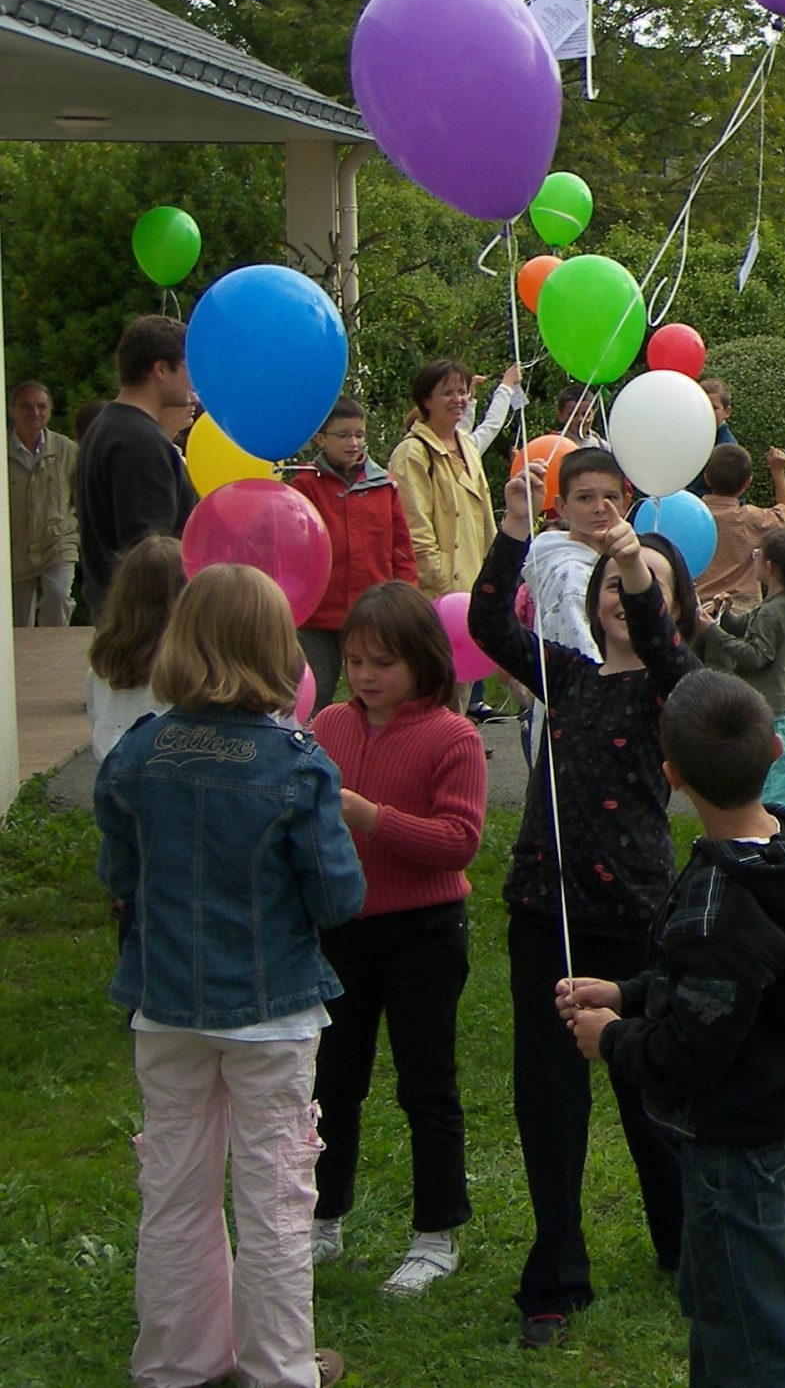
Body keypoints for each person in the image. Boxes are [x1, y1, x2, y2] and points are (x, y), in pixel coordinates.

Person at [94, 563, 368, 1388]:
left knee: (174, 1186)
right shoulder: (295, 762)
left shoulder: (137, 751)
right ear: (277, 647)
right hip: (271, 1008)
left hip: (166, 1002)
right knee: (275, 1196)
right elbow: (338, 896)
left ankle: (177, 1359)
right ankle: (277, 1366)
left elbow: (119, 875)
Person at [560, 671, 785, 1387]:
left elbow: (691, 1048)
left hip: (734, 1145)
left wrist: (612, 1038)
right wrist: (628, 993)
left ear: (671, 777)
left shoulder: (724, 904)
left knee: (755, 1333)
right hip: (772, 1117)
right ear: (775, 748)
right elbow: (734, 991)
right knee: (718, 1306)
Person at [469, 457, 698, 1348]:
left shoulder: (673, 686)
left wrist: (636, 559)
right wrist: (514, 526)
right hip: (546, 910)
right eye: (609, 582)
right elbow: (490, 622)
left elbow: (666, 647)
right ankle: (556, 1275)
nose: (623, 594)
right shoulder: (566, 675)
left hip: (634, 913)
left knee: (649, 1092)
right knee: (550, 1101)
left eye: (640, 586)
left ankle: (683, 1244)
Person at [307, 582, 487, 1299]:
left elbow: (458, 841)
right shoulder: (327, 726)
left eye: (382, 662)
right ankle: (322, 1216)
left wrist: (372, 817)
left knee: (426, 1082)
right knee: (331, 1081)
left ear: (422, 660)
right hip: (341, 929)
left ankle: (435, 1234)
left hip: (424, 932)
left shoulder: (453, 736)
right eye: (354, 660)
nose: (365, 675)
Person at [291, 396, 419, 705]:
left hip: (372, 609)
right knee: (315, 691)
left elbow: (401, 549)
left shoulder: (383, 485)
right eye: (344, 435)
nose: (353, 443)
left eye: (359, 434)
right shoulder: (305, 485)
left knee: (374, 690)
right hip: (318, 613)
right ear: (320, 438)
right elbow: (293, 550)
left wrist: (407, 597)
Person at [696, 527, 785, 812]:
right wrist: (726, 614)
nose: (753, 555)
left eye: (758, 553)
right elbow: (747, 628)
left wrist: (712, 632)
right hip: (782, 706)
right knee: (774, 778)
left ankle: (781, 825)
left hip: (777, 711)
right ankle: (778, 821)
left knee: (774, 785)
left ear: (770, 567)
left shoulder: (774, 611)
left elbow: (755, 657)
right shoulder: (780, 601)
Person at [73, 314, 197, 599]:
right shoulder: (140, 442)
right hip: (142, 616)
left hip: (115, 610)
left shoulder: (106, 426)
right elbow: (150, 554)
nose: (193, 381)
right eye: (188, 366)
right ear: (161, 369)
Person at [386, 360, 497, 605]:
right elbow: (415, 528)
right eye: (448, 393)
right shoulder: (412, 453)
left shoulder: (467, 445)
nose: (458, 400)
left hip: (477, 585)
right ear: (426, 400)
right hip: (439, 594)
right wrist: (441, 580)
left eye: (462, 392)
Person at [520, 446, 634, 665]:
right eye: (585, 498)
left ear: (625, 503)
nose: (600, 508)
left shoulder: (616, 561)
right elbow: (586, 653)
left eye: (610, 497)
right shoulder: (571, 575)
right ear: (562, 506)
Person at [85, 533, 184, 761]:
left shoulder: (103, 662)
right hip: (163, 772)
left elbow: (96, 718)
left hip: (112, 770)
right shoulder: (185, 667)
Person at [691, 442, 785, 610]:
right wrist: (778, 471)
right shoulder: (752, 519)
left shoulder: (691, 515)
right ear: (748, 483)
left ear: (706, 478)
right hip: (743, 611)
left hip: (699, 609)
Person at [9, 378, 78, 626]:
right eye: (26, 406)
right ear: (11, 410)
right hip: (14, 546)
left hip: (57, 543)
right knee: (18, 620)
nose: (35, 412)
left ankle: (55, 646)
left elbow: (81, 496)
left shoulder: (67, 449)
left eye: (41, 406)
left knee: (58, 598)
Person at [681, 377, 745, 496]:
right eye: (702, 405)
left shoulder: (728, 448)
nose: (708, 411)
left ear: (727, 412)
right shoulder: (687, 436)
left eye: (714, 408)